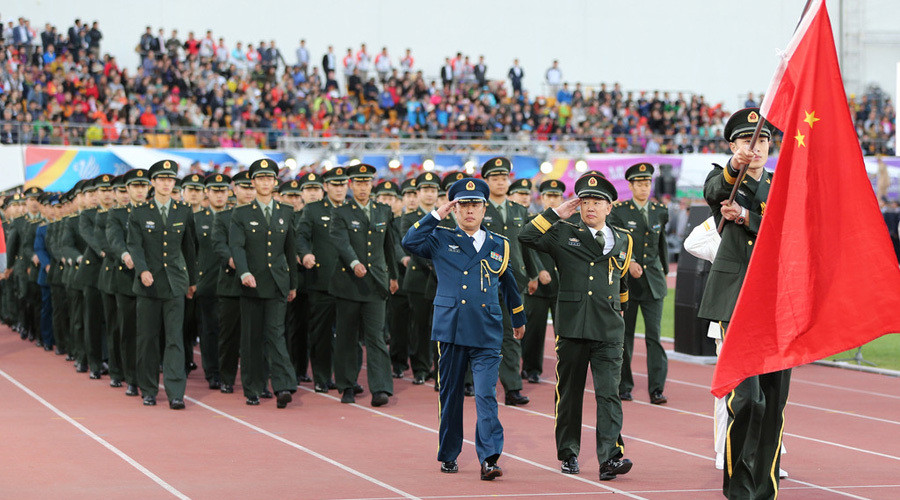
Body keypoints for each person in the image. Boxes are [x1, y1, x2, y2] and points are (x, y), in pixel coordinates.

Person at [402, 177, 525, 481]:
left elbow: (509, 283)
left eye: (475, 205)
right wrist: (436, 214)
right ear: (455, 209)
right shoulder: (440, 238)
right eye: (463, 205)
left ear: (485, 209)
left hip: (487, 328)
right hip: (452, 327)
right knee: (452, 394)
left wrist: (519, 317)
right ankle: (449, 453)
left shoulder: (500, 244)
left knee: (485, 395)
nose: (470, 210)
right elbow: (409, 242)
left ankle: (489, 457)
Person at [697, 108, 790, 499]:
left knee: (773, 404)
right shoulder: (724, 179)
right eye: (747, 142)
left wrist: (748, 216)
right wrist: (734, 169)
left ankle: (763, 491)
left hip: (776, 303)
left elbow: (785, 225)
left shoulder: (782, 184)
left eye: (763, 140)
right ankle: (738, 489)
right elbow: (714, 192)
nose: (756, 148)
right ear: (734, 146)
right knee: (747, 399)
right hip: (735, 302)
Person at [519, 171, 635, 481]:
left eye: (597, 201)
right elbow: (526, 236)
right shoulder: (563, 232)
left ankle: (610, 456)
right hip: (572, 326)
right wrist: (555, 213)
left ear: (609, 207)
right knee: (569, 393)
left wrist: (621, 310)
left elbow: (621, 280)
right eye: (585, 201)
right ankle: (568, 452)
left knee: (609, 394)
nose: (590, 207)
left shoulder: (624, 238)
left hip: (609, 328)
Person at [126, 160, 197, 409]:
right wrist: (143, 269)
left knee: (175, 339)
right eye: (162, 179)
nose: (167, 183)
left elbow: (190, 248)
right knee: (147, 339)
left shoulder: (183, 210)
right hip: (148, 284)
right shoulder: (139, 212)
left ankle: (176, 392)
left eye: (171, 179)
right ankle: (148, 389)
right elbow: (134, 244)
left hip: (175, 283)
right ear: (153, 182)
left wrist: (192, 282)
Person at [229, 159, 298, 408]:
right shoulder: (241, 213)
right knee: (251, 338)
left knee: (276, 334)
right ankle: (253, 387)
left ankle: (282, 386)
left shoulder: (286, 211)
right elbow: (237, 246)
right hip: (252, 284)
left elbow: (290, 250)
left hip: (278, 283)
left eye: (270, 178)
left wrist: (293, 284)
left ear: (275, 182)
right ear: (253, 182)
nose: (266, 183)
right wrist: (244, 272)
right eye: (260, 178)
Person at [328, 164, 397, 406]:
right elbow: (340, 240)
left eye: (366, 183)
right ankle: (347, 385)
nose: (362, 187)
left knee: (376, 337)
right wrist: (354, 261)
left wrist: (394, 276)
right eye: (357, 183)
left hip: (376, 285)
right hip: (348, 284)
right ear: (351, 185)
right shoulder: (342, 212)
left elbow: (389, 246)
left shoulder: (383, 210)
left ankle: (380, 388)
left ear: (371, 185)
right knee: (347, 337)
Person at [608, 163, 669, 405]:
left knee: (654, 337)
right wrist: (629, 261)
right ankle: (624, 386)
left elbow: (662, 244)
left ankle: (657, 388)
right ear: (631, 186)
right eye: (639, 183)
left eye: (647, 183)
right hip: (628, 284)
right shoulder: (620, 211)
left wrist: (663, 271)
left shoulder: (659, 210)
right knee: (626, 337)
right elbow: (616, 242)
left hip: (654, 283)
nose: (644, 187)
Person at [481, 157, 534, 406]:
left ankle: (512, 388)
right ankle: (475, 382)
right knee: (481, 334)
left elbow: (527, 247)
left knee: (513, 335)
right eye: (495, 178)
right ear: (487, 181)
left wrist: (533, 273)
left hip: (514, 282)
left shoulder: (519, 210)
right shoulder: (478, 209)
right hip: (485, 283)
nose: (500, 182)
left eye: (504, 178)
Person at [297, 167, 349, 393]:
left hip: (351, 282)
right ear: (325, 187)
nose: (339, 188)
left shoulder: (353, 209)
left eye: (342, 184)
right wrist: (305, 253)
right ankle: (321, 376)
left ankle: (348, 378)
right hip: (322, 281)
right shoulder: (313, 210)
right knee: (322, 334)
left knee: (350, 335)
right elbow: (301, 236)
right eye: (334, 184)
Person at [520, 179, 564, 383]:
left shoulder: (570, 224)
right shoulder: (533, 221)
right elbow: (526, 247)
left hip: (562, 288)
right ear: (542, 198)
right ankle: (531, 369)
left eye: (556, 196)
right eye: (549, 196)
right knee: (534, 333)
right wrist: (537, 272)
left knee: (564, 333)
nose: (553, 200)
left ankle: (565, 369)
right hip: (537, 286)